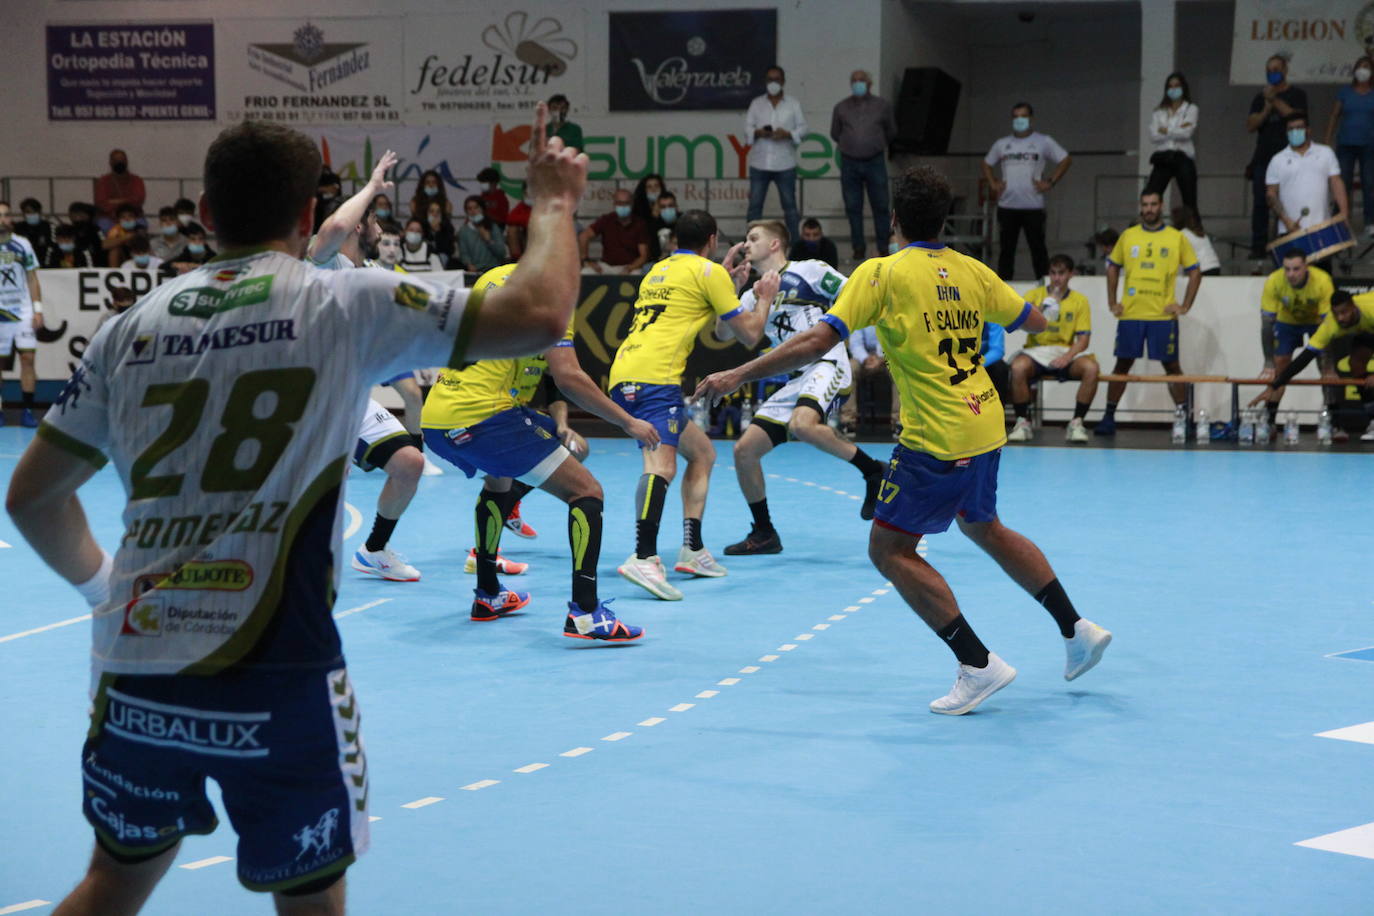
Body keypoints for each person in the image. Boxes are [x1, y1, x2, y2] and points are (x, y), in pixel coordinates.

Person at [3, 105, 586, 915]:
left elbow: (31, 496)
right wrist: (554, 202)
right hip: (278, 667)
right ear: (310, 214)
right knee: (308, 901)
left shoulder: (126, 330)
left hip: (135, 667)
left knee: (114, 882)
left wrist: (107, 591)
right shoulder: (342, 304)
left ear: (204, 215)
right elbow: (540, 315)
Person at [695, 164, 1111, 716]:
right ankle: (1076, 629)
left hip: (935, 436)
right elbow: (1033, 321)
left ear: (894, 220)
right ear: (943, 221)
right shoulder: (973, 271)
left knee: (889, 549)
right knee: (984, 526)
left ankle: (977, 664)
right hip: (986, 423)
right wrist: (1038, 311)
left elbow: (817, 339)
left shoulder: (882, 273)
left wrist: (736, 375)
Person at [423, 261, 660, 631]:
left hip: (437, 418)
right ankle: (585, 612)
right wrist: (627, 421)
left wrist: (559, 425)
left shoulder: (494, 277)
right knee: (586, 491)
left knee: (499, 478)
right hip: (484, 416)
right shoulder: (552, 293)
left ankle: (488, 594)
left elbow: (538, 374)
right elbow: (568, 377)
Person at [607, 210, 757, 600]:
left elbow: (720, 327)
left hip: (626, 369)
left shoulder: (658, 271)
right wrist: (765, 296)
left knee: (703, 454)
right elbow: (749, 335)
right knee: (661, 465)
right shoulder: (710, 274)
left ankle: (691, 548)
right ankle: (644, 556)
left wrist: (730, 285)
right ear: (712, 239)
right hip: (656, 377)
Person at [715, 220, 886, 555]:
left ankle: (874, 472)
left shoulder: (809, 270)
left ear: (775, 244)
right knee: (744, 451)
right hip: (794, 377)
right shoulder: (753, 293)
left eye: (754, 239)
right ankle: (764, 533)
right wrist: (731, 292)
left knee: (802, 425)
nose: (746, 245)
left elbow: (856, 293)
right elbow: (723, 334)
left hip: (826, 360)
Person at [305, 150, 437, 580]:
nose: (382, 230)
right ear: (360, 224)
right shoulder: (325, 263)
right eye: (377, 221)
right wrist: (372, 185)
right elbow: (334, 227)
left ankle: (375, 549)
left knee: (409, 463)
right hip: (309, 395)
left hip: (351, 392)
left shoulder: (375, 270)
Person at [1096, 189, 1202, 436]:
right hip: (1131, 315)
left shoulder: (1176, 237)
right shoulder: (1128, 236)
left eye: (1153, 204)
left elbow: (1195, 271)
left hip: (1162, 317)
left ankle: (1183, 419)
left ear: (1161, 206)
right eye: (1145, 205)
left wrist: (1185, 306)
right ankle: (1108, 416)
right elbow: (1112, 267)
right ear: (1140, 207)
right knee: (1122, 365)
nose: (1149, 209)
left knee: (1172, 368)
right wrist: (1113, 302)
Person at [1255, 289, 1374, 440]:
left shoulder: (1371, 308)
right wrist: (1275, 385)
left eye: (1344, 312)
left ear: (1353, 307)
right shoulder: (1331, 324)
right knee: (1356, 363)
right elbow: (1305, 358)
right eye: (1336, 313)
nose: (1340, 318)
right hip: (1367, 330)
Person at [1007, 254, 1098, 443]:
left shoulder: (1079, 301)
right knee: (1017, 368)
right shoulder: (1034, 295)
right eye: (1053, 273)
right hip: (1036, 350)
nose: (1056, 278)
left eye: (1061, 273)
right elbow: (1019, 323)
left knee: (1091, 368)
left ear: (1071, 274)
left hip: (1064, 350)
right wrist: (1040, 308)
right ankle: (1022, 422)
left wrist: (1067, 357)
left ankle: (1076, 423)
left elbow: (1083, 340)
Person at [981, 102, 1072, 280]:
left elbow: (1066, 159)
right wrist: (992, 183)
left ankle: (1046, 287)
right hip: (1007, 205)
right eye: (1015, 117)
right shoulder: (1002, 144)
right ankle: (1005, 288)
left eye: (1023, 116)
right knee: (1006, 251)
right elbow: (986, 163)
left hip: (1033, 206)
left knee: (1038, 249)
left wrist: (1050, 182)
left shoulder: (1043, 141)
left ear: (1031, 118)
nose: (1019, 120)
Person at [1257, 247, 1334, 425]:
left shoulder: (1322, 281)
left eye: (1296, 269)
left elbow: (1329, 326)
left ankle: (1332, 420)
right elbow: (1266, 324)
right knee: (1279, 368)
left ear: (1306, 267)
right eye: (1287, 269)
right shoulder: (1274, 280)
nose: (1291, 274)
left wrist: (1329, 364)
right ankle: (1269, 421)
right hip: (1287, 322)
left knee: (1326, 369)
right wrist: (1268, 361)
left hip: (1317, 323)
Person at [830, 69, 896, 260]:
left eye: (861, 80)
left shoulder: (882, 105)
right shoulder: (840, 107)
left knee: (881, 205)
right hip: (849, 161)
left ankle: (884, 246)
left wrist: (875, 143)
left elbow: (891, 131)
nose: (858, 83)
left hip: (875, 160)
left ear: (869, 83)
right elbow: (835, 133)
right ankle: (858, 247)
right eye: (854, 80)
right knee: (852, 206)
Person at [1247, 55, 1308, 258]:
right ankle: (1258, 247)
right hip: (1264, 158)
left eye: (1276, 69)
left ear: (1285, 70)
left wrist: (1275, 100)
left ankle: (1291, 244)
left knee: (1289, 202)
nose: (1272, 73)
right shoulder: (1260, 97)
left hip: (1290, 158)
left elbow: (1296, 117)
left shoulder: (1297, 94)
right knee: (1260, 204)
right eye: (1269, 70)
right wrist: (1266, 105)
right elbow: (1251, 125)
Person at [1265, 111, 1347, 255]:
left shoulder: (1325, 153)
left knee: (1322, 275)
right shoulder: (1277, 160)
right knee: (1293, 274)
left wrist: (1344, 213)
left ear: (1308, 130)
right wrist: (1286, 221)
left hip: (1321, 228)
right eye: (1291, 129)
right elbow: (1271, 194)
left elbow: (1336, 182)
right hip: (1290, 230)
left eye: (1299, 128)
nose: (1294, 132)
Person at [745, 66, 806, 243]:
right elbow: (747, 128)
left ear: (783, 81)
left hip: (785, 163)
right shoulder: (756, 103)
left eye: (777, 79)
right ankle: (751, 245)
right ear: (765, 82)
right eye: (770, 79)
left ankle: (795, 248)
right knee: (754, 208)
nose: (773, 83)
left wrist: (787, 134)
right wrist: (758, 132)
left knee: (790, 208)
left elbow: (804, 128)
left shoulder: (793, 104)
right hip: (760, 163)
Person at [0, 201, 44, 427]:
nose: (3, 219)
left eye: (6, 215)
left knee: (28, 358)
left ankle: (28, 410)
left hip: (23, 309)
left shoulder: (22, 244)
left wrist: (38, 310)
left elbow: (32, 277)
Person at [1326, 56, 1374, 238]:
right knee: (1342, 184)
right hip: (1345, 144)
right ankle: (1339, 222)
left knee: (1369, 184)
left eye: (1367, 67)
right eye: (1360, 66)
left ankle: (1370, 222)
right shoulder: (1345, 92)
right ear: (1354, 71)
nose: (1363, 70)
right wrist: (1327, 139)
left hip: (1369, 146)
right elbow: (1334, 115)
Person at [1145, 72, 1200, 215]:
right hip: (1163, 157)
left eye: (1176, 86)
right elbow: (1153, 136)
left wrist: (1165, 130)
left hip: (1183, 157)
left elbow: (1186, 133)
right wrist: (1177, 129)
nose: (1173, 89)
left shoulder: (1191, 109)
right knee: (1151, 194)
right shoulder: (1159, 111)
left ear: (1183, 87)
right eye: (1170, 86)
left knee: (1190, 200)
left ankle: (1193, 231)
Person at [579, 189, 649, 274]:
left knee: (636, 274)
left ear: (632, 204)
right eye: (619, 203)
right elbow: (583, 236)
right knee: (586, 272)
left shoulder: (639, 224)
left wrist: (630, 268)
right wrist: (587, 260)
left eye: (626, 203)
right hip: (606, 266)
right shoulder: (606, 220)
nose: (623, 206)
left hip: (630, 266)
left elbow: (643, 256)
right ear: (614, 204)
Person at [93, 149, 146, 230]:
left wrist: (114, 201)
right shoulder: (103, 181)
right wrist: (127, 200)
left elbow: (138, 200)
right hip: (109, 218)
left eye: (122, 159)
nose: (119, 162)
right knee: (102, 226)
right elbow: (101, 203)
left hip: (133, 217)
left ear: (126, 161)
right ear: (110, 162)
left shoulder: (137, 180)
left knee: (142, 225)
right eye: (116, 160)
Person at [458, 196, 507, 273]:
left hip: (493, 269)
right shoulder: (463, 231)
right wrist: (469, 264)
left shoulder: (493, 227)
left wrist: (489, 240)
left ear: (482, 209)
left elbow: (501, 253)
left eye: (476, 207)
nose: (473, 211)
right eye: (469, 209)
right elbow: (464, 253)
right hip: (475, 270)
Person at [1172, 206, 1220, 276]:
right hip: (1215, 266)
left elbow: (1178, 257)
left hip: (1203, 269)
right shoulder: (1198, 231)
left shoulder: (1182, 234)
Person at [102, 203, 142, 267]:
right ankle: (114, 274)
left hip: (138, 260)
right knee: (114, 249)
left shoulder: (140, 230)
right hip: (122, 260)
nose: (127, 219)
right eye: (123, 217)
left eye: (130, 216)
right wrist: (127, 237)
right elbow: (104, 245)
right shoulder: (115, 230)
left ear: (136, 219)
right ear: (118, 220)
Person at [15, 198, 54, 263]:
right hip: (25, 264)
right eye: (28, 212)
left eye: (34, 211)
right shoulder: (19, 228)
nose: (32, 214)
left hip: (46, 264)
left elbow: (52, 247)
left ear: (40, 212)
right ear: (23, 214)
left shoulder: (48, 227)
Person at [422, 199, 456, 267]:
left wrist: (437, 232)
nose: (435, 214)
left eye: (438, 211)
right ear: (426, 213)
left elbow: (449, 250)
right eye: (432, 211)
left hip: (443, 260)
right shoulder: (422, 227)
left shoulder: (448, 227)